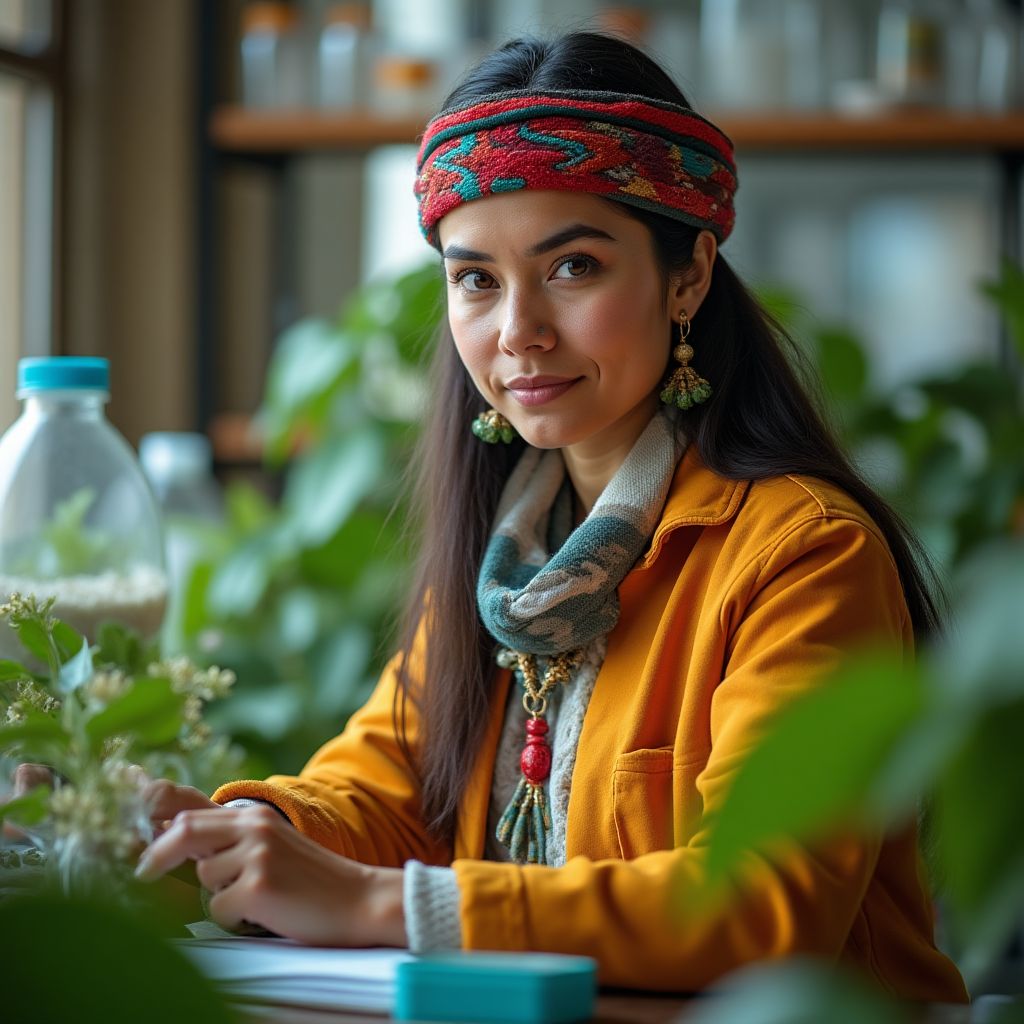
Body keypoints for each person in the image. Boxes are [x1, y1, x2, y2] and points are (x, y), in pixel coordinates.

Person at [131, 32, 967, 999]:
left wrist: (389, 906)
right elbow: (378, 794)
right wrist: (219, 838)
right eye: (475, 279)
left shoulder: (803, 554)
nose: (518, 331)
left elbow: (762, 906)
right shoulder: (507, 559)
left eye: (572, 268)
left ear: (689, 275)